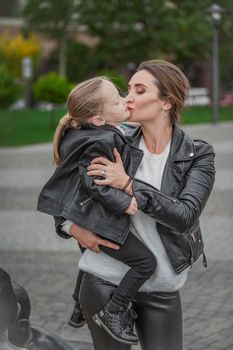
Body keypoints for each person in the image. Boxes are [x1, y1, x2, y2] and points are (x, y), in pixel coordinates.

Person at [56, 60, 216, 350]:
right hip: (104, 280)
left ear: (166, 102)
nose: (127, 97)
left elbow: (185, 216)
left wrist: (129, 184)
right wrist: (71, 227)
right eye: (127, 89)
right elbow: (65, 189)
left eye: (139, 90)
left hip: (163, 287)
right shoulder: (111, 139)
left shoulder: (198, 154)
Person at [37, 76, 160, 345]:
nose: (124, 99)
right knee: (146, 263)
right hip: (98, 220)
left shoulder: (83, 132)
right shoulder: (101, 141)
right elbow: (94, 182)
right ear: (97, 119)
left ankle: (79, 306)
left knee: (88, 260)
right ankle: (114, 311)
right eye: (117, 99)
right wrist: (125, 202)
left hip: (86, 217)